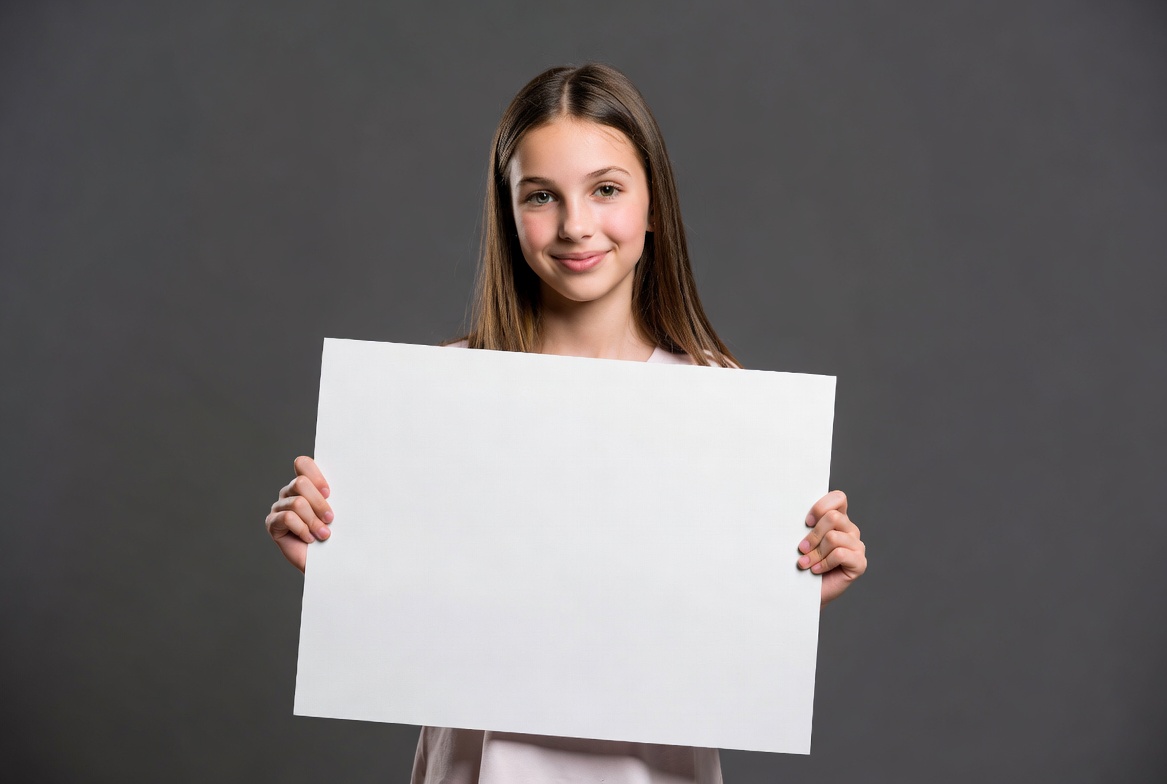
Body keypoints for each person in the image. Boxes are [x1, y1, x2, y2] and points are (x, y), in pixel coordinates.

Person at [265, 63, 867, 784]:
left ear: (654, 207)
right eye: (542, 196)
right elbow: (425, 611)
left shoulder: (722, 405)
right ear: (508, 211)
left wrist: (797, 587)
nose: (576, 224)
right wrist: (337, 558)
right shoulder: (440, 396)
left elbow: (711, 633)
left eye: (606, 189)